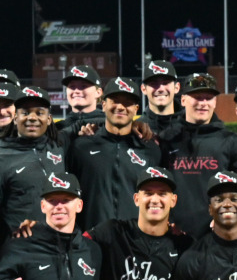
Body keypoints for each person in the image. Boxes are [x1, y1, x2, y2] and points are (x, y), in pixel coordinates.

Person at [157, 74, 237, 237]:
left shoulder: (232, 141)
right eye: (197, 97)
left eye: (208, 98)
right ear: (183, 100)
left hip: (219, 236)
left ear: (215, 102)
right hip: (172, 235)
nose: (203, 103)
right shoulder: (167, 140)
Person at [65, 76, 163, 230]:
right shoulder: (81, 147)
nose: (121, 107)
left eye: (127, 103)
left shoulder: (149, 150)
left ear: (136, 109)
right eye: (115, 101)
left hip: (135, 238)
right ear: (104, 105)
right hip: (90, 237)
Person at [0, 85, 67, 246]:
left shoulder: (59, 147)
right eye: (25, 113)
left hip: (58, 247)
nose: (32, 118)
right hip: (18, 250)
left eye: (39, 113)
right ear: (15, 118)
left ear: (49, 119)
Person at [56, 65, 105, 133]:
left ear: (98, 92)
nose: (76, 91)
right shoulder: (57, 128)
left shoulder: (108, 126)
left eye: (83, 86)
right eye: (72, 86)